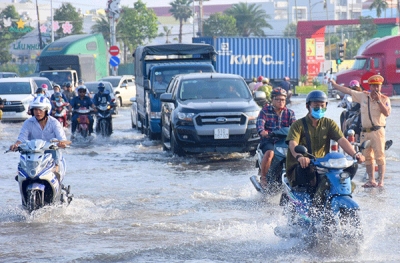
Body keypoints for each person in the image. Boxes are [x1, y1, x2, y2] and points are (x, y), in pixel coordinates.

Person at [285, 90, 365, 210]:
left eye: (322, 106)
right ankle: (314, 207)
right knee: (316, 174)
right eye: (316, 106)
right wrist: (300, 157)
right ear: (308, 106)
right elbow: (293, 143)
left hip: (323, 164)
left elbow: (342, 140)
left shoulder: (329, 123)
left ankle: (337, 197)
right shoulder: (298, 125)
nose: (320, 109)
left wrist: (355, 154)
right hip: (301, 166)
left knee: (351, 169)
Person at [330, 75, 391, 188]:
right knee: (367, 157)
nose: (376, 89)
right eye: (374, 86)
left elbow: (387, 113)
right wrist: (335, 86)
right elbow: (348, 91)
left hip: (378, 131)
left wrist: (378, 101)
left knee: (380, 156)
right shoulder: (363, 96)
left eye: (378, 86)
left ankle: (381, 181)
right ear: (370, 86)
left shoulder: (384, 99)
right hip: (365, 132)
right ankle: (371, 180)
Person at [9, 96, 68, 180]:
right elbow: (21, 139)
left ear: (46, 110)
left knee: (56, 158)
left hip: (51, 155)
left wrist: (61, 143)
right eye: (35, 109)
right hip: (33, 154)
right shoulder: (28, 123)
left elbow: (63, 140)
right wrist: (16, 145)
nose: (38, 112)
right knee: (21, 169)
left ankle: (57, 175)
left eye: (41, 109)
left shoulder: (55, 123)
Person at [256, 87, 296, 189]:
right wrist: (263, 132)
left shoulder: (290, 113)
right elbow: (260, 124)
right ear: (272, 100)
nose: (280, 102)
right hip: (269, 141)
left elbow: (296, 127)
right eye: (278, 99)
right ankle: (264, 178)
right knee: (270, 153)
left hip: (284, 142)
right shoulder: (265, 111)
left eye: (283, 99)